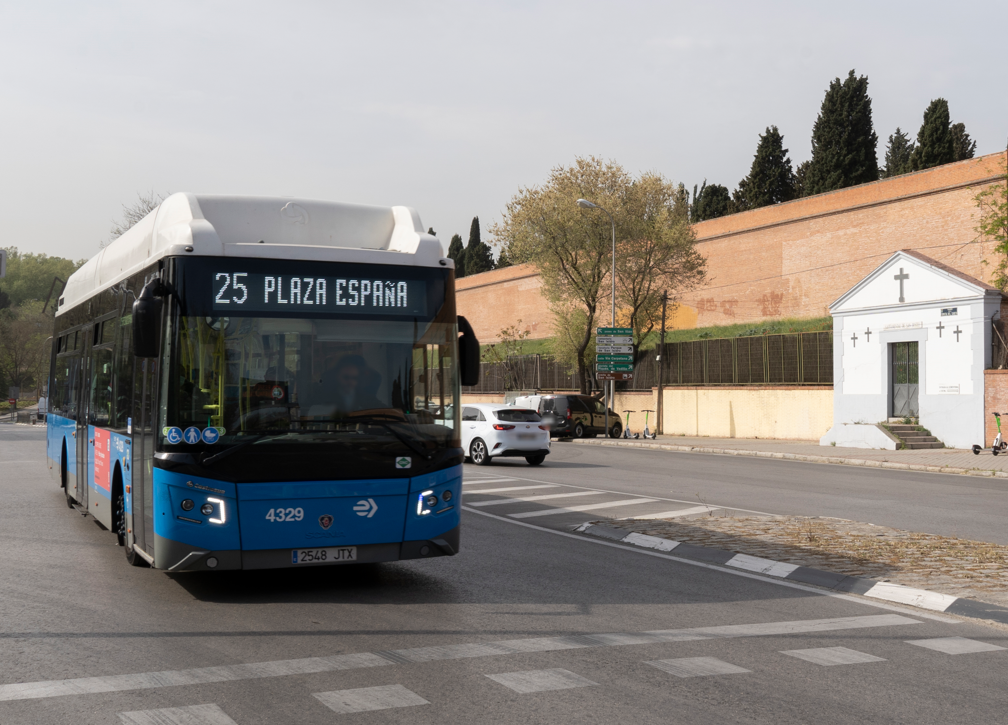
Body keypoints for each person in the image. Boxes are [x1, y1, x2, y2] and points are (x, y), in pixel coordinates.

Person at [318, 355, 384, 415]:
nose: (350, 382)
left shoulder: (367, 398)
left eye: (354, 378)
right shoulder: (322, 396)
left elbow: (386, 412)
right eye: (346, 377)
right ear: (337, 376)